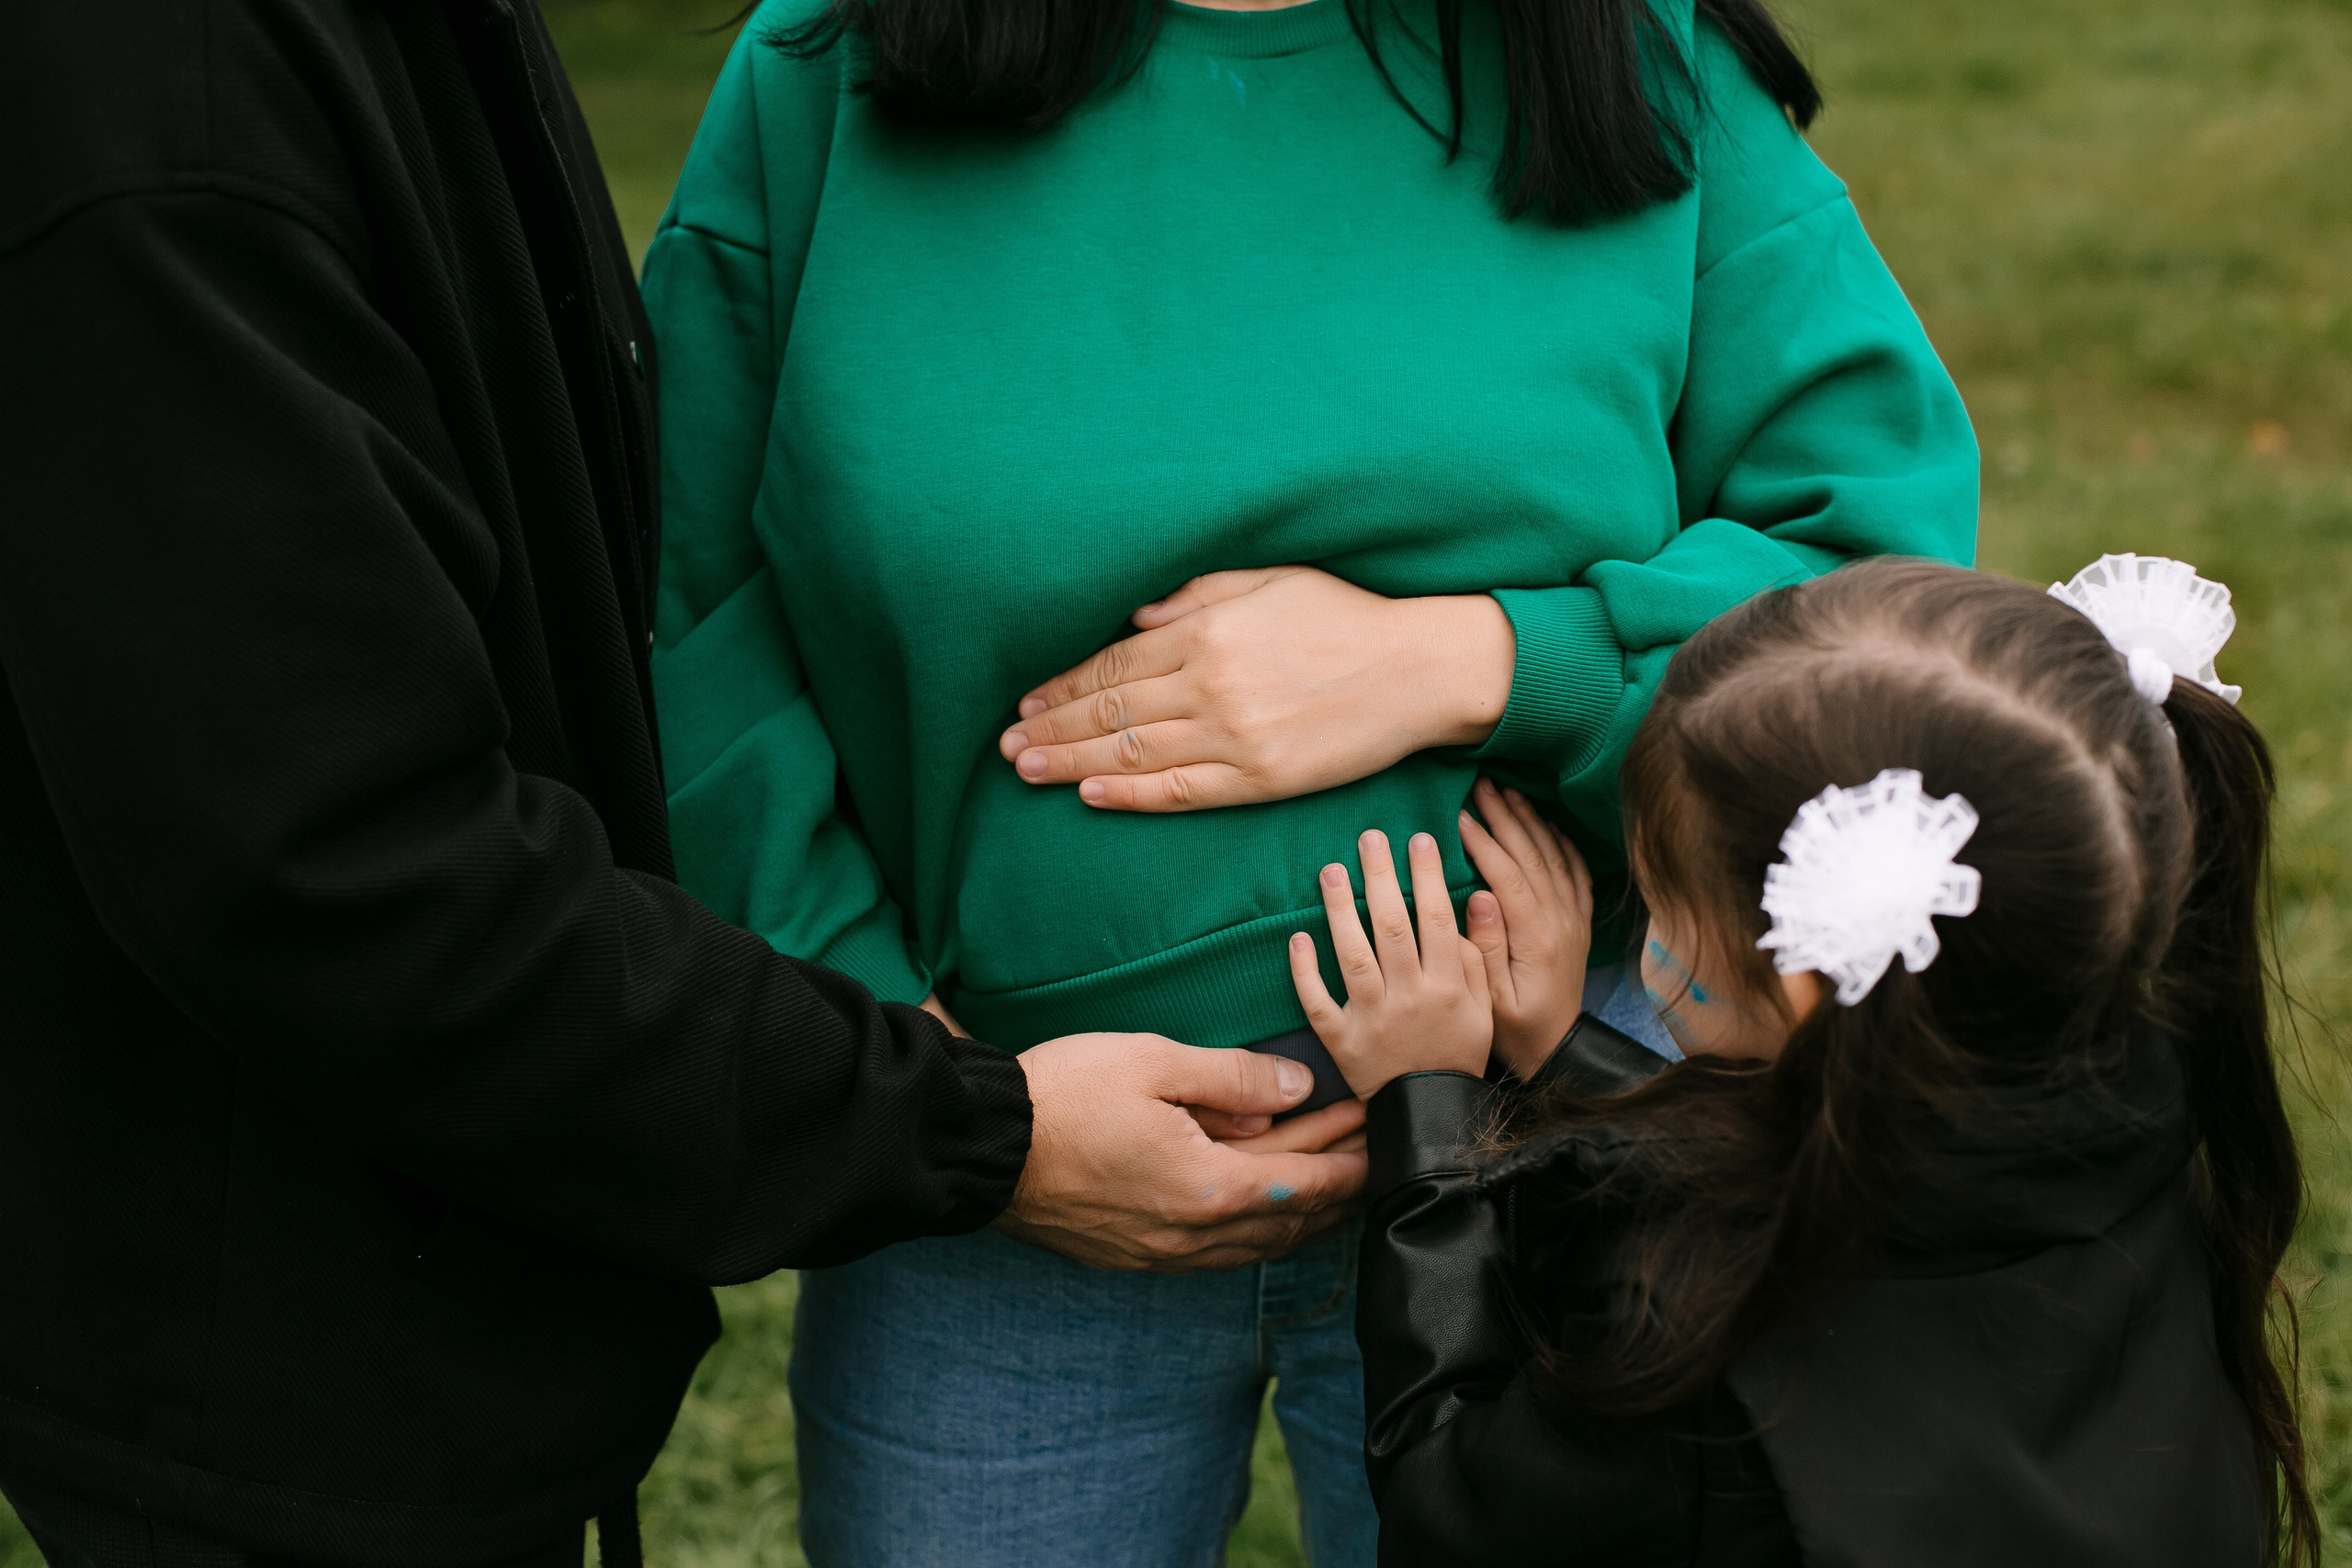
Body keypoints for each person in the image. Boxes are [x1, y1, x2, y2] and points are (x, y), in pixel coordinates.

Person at [0, 3, 1359, 1565]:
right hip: (283, 1368)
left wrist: (1482, 656)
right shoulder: (163, 100)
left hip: (443, 1278)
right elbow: (340, 863)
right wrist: (965, 1118)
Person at [642, 0, 1976, 1557]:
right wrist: (930, 1087)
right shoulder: (833, 67)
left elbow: (1870, 575)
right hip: (1002, 1173)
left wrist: (1468, 659)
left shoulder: (1632, 52)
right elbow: (685, 601)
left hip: (1564, 1123)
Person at [1298, 558, 2312, 1565]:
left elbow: (1455, 1510)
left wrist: (1425, 1109)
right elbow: (1797, 1175)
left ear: (1798, 989)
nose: (1646, 936)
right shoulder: (2131, 1115)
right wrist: (1563, 1052)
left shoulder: (1708, 1377)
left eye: (1657, 904)